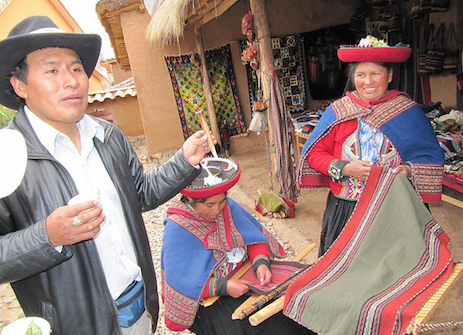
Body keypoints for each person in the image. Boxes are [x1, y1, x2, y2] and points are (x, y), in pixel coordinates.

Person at [0, 16, 213, 334]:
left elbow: (140, 193)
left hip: (139, 309)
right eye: (51, 70)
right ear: (20, 85)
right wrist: (47, 237)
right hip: (77, 326)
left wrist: (184, 161)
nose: (71, 81)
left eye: (75, 68)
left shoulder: (108, 136)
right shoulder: (7, 157)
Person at [297, 36, 445, 257]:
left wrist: (408, 170)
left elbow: (429, 156)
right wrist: (345, 168)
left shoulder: (407, 111)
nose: (368, 81)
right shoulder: (339, 111)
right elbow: (314, 154)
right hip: (347, 209)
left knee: (396, 272)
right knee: (347, 273)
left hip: (395, 207)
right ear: (352, 76)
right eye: (361, 75)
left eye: (376, 74)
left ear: (390, 75)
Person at [161, 157, 315, 335]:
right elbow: (180, 285)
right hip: (209, 299)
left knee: (294, 318)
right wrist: (223, 287)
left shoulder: (226, 207)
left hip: (247, 279)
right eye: (209, 205)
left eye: (222, 201)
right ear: (190, 199)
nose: (217, 210)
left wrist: (261, 263)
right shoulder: (177, 229)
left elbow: (253, 239)